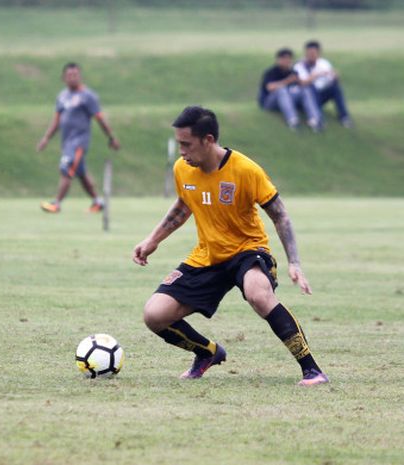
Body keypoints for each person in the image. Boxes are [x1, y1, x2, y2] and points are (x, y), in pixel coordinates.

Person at [133, 106, 328, 387]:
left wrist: (294, 262)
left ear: (208, 140)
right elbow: (183, 205)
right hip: (208, 255)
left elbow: (280, 214)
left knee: (258, 294)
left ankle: (312, 370)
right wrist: (152, 241)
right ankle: (207, 353)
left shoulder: (245, 170)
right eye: (179, 145)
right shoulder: (183, 169)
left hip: (248, 250)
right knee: (154, 315)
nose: (182, 152)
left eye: (186, 145)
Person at [37, 62, 120, 213]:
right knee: (81, 174)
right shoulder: (62, 97)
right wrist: (46, 138)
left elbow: (100, 118)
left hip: (79, 142)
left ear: (80, 76)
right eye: (69, 75)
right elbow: (57, 120)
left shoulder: (88, 97)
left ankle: (56, 203)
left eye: (75, 75)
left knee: (66, 168)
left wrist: (111, 137)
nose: (72, 78)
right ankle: (97, 201)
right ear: (63, 78)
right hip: (67, 142)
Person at [258, 48, 321, 131]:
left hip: (287, 100)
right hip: (269, 102)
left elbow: (301, 84)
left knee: (305, 90)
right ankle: (292, 120)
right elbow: (270, 87)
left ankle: (314, 120)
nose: (287, 60)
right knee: (281, 90)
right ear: (278, 60)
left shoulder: (293, 72)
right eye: (284, 58)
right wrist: (287, 81)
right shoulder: (271, 72)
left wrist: (312, 77)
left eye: (289, 58)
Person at [294, 40, 352, 128]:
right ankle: (319, 119)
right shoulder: (299, 66)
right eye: (309, 53)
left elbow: (332, 80)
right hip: (305, 97)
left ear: (319, 53)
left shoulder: (324, 63)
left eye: (314, 53)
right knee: (311, 87)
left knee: (335, 88)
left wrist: (335, 77)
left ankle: (344, 117)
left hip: (321, 94)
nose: (311, 56)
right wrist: (316, 75)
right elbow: (302, 83)